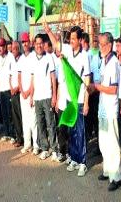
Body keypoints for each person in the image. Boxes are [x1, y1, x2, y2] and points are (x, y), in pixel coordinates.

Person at [44, 23, 90, 177]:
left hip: (80, 100)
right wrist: (48, 30)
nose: (71, 41)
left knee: (80, 132)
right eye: (70, 39)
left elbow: (88, 80)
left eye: (73, 39)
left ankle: (83, 162)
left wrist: (87, 101)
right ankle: (75, 159)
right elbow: (56, 44)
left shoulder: (85, 57)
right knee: (72, 131)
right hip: (70, 100)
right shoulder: (69, 51)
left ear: (79, 40)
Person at [88, 32, 121, 191]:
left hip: (110, 108)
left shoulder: (114, 62)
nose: (99, 47)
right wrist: (93, 87)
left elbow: (113, 89)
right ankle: (108, 171)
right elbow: (101, 83)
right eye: (99, 44)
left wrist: (97, 87)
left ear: (109, 45)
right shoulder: (104, 61)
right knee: (103, 142)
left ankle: (116, 177)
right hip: (102, 108)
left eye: (102, 44)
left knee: (113, 143)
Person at [30, 34, 58, 161]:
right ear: (34, 45)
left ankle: (54, 150)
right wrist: (31, 96)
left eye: (41, 43)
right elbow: (32, 79)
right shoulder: (32, 59)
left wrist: (54, 96)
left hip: (47, 96)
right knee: (40, 125)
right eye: (37, 43)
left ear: (43, 44)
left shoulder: (49, 58)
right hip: (37, 98)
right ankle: (45, 149)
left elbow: (53, 78)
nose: (39, 45)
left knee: (51, 124)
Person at [18, 32, 39, 155]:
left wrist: (29, 92)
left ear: (30, 43)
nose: (25, 44)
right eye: (23, 42)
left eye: (26, 42)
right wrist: (22, 91)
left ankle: (36, 145)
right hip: (23, 95)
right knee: (25, 120)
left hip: (31, 93)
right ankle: (27, 144)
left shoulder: (33, 57)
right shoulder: (20, 58)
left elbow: (34, 77)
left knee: (33, 120)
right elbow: (19, 76)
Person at [0, 37, 15, 142]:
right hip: (2, 90)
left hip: (9, 89)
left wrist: (12, 87)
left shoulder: (11, 57)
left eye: (1, 46)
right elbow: (0, 74)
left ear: (5, 47)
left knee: (10, 113)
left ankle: (13, 135)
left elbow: (12, 74)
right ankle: (6, 133)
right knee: (4, 113)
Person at [9, 41, 23, 148]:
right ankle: (19, 138)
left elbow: (22, 77)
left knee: (22, 116)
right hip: (13, 93)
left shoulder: (22, 60)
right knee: (15, 117)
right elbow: (10, 77)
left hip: (19, 92)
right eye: (13, 48)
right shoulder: (11, 60)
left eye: (16, 48)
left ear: (19, 49)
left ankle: (25, 138)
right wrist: (11, 88)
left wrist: (17, 88)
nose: (14, 50)